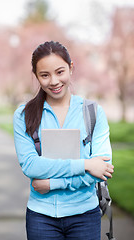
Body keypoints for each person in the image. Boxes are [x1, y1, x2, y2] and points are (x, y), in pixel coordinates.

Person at [13, 41, 114, 240]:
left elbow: (102, 169)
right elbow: (31, 166)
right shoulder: (23, 115)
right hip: (41, 218)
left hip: (85, 215)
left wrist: (53, 184)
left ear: (71, 68)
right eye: (44, 75)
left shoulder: (92, 112)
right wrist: (85, 164)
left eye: (60, 72)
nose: (54, 81)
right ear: (36, 76)